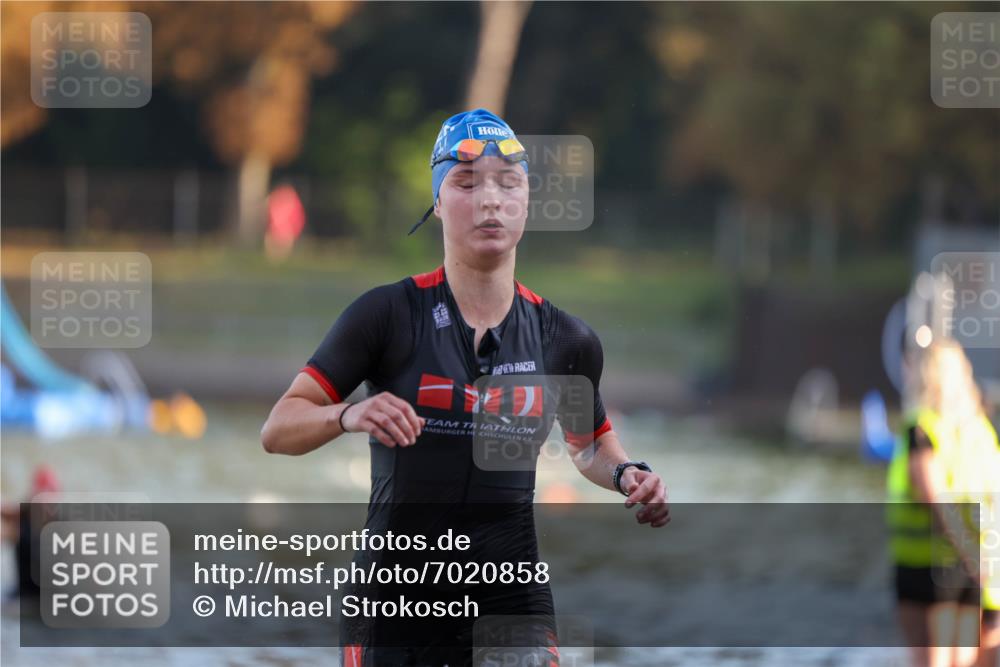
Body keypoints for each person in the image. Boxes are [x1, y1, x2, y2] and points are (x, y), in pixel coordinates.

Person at [261, 108, 669, 666]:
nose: (490, 200)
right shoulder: (386, 315)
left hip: (512, 600)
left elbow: (590, 445)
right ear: (436, 202)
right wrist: (347, 416)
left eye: (509, 182)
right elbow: (277, 429)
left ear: (528, 201)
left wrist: (628, 476)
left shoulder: (565, 339)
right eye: (466, 182)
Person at [886, 338, 1000, 667]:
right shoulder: (975, 429)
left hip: (935, 566)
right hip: (973, 562)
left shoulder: (923, 428)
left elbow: (934, 498)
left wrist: (971, 554)